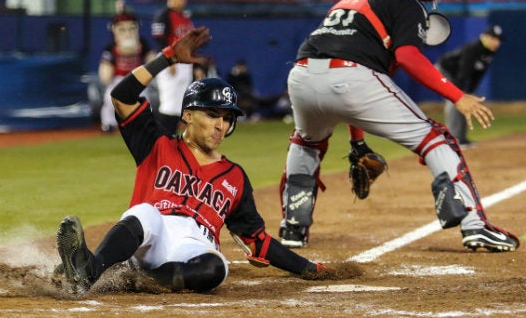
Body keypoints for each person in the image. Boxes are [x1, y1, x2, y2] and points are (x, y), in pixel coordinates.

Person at [277, 0, 519, 253]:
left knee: (306, 142)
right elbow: (407, 58)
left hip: (302, 75)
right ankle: (475, 226)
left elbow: (348, 78)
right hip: (353, 77)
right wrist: (457, 96)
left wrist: (356, 141)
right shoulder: (404, 1)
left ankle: (293, 229)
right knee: (437, 139)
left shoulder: (349, 0)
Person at [56, 27, 327, 295]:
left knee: (216, 267)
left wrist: (308, 268)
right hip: (151, 235)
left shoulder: (235, 177)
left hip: (193, 245)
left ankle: (136, 280)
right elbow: (122, 96)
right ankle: (89, 270)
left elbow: (256, 242)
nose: (220, 125)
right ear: (187, 115)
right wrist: (169, 57)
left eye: (227, 118)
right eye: (212, 115)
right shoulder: (156, 144)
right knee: (144, 213)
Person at [435, 25, 504, 147]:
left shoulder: (489, 52)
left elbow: (478, 74)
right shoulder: (473, 49)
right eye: (494, 39)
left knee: (465, 102)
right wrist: (459, 93)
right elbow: (463, 72)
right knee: (454, 102)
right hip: (444, 71)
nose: (497, 42)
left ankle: (461, 138)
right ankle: (453, 139)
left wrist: (470, 91)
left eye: (498, 39)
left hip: (457, 75)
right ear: (485, 37)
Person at [152, 0, 195, 135]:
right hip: (171, 62)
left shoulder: (184, 16)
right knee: (169, 105)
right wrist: (168, 60)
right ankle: (160, 142)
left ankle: (170, 142)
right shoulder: (164, 15)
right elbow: (159, 39)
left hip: (184, 62)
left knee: (179, 106)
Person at [98, 12, 154, 133]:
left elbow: (150, 58)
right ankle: (108, 124)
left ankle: (145, 124)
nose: (127, 32)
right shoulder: (111, 47)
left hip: (137, 77)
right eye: (122, 29)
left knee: (143, 100)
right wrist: (106, 74)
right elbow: (106, 64)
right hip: (119, 78)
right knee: (110, 99)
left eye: (131, 28)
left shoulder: (142, 43)